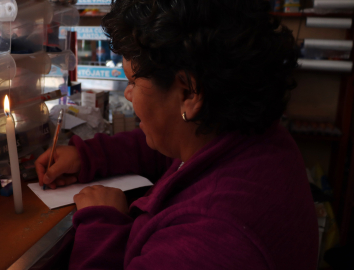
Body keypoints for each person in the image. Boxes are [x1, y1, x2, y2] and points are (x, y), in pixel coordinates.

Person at [35, 0, 319, 269]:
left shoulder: (211, 242)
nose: (129, 95)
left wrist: (102, 223)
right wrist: (87, 156)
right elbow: (173, 148)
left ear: (188, 92)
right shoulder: (249, 135)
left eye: (133, 81)